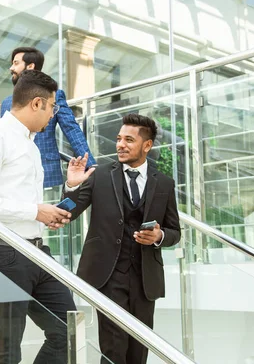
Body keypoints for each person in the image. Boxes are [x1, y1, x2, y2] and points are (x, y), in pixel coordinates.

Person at [0, 70, 75, 364]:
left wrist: (48, 211)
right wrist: (36, 210)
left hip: (36, 250)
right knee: (5, 348)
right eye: (53, 107)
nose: (53, 114)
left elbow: (22, 201)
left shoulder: (30, 144)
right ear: (37, 103)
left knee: (68, 330)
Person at [63, 113, 181, 364]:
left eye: (129, 139)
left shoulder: (164, 183)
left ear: (147, 145)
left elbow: (175, 232)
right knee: (113, 347)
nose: (120, 144)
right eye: (118, 139)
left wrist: (159, 235)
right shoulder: (100, 175)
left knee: (140, 348)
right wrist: (72, 186)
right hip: (107, 275)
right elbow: (68, 212)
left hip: (145, 278)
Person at [0, 47, 95, 190]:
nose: (11, 68)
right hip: (14, 176)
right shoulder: (7, 102)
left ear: (30, 66)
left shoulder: (55, 95)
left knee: (51, 212)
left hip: (47, 174)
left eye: (15, 63)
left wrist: (90, 165)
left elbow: (70, 128)